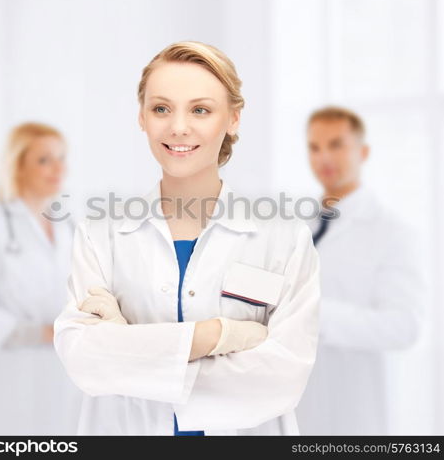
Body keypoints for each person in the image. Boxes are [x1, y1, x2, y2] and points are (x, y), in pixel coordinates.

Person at [53, 41, 321, 436]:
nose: (178, 127)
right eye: (161, 108)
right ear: (142, 117)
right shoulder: (100, 233)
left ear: (233, 118)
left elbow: (282, 376)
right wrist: (216, 336)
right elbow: (84, 361)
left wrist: (130, 347)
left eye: (200, 110)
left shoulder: (284, 237)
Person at [295, 106, 426, 435]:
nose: (324, 157)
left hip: (355, 413)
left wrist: (313, 315)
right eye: (315, 147)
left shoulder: (393, 232)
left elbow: (404, 327)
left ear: (363, 151)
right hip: (299, 406)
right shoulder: (298, 227)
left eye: (336, 144)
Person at [0, 122, 83, 435]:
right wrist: (37, 333)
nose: (58, 168)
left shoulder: (65, 225)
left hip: (62, 374)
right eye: (44, 160)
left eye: (61, 157)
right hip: (11, 376)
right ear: (18, 165)